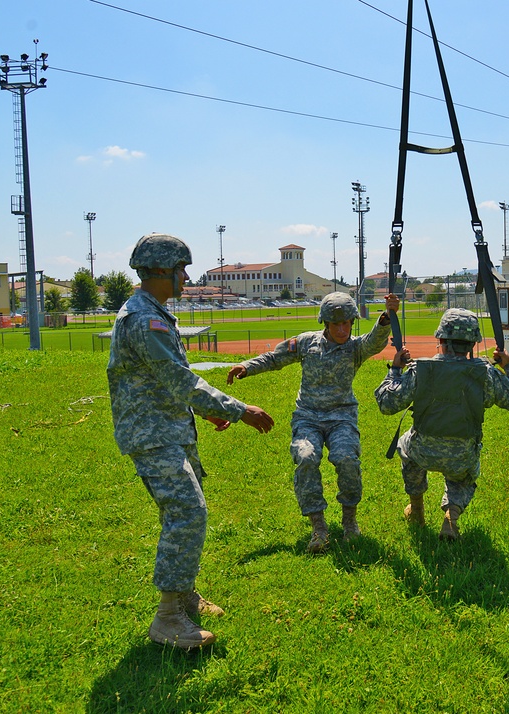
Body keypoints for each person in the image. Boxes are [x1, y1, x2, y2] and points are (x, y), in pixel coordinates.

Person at [107, 233, 275, 650]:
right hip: (153, 435)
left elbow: (168, 381)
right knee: (188, 513)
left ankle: (183, 597)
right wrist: (240, 410)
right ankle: (167, 618)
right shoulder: (144, 320)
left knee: (184, 512)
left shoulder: (155, 313)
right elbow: (181, 379)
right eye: (181, 268)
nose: (186, 276)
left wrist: (206, 410)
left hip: (169, 429)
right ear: (160, 271)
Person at [227, 291, 399, 553]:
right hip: (308, 417)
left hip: (341, 417)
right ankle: (319, 528)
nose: (342, 329)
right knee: (306, 457)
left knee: (347, 458)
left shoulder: (354, 348)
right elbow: (275, 357)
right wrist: (248, 366)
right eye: (336, 324)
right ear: (325, 323)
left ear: (353, 323)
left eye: (347, 324)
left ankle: (349, 521)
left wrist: (387, 317)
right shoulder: (307, 343)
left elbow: (375, 342)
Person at [374, 308, 509, 540]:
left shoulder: (420, 370)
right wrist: (508, 367)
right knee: (464, 475)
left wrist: (396, 370)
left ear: (441, 340)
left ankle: (416, 510)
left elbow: (387, 403)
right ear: (472, 343)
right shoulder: (485, 373)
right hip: (462, 455)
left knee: (405, 445)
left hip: (422, 451)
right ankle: (451, 517)